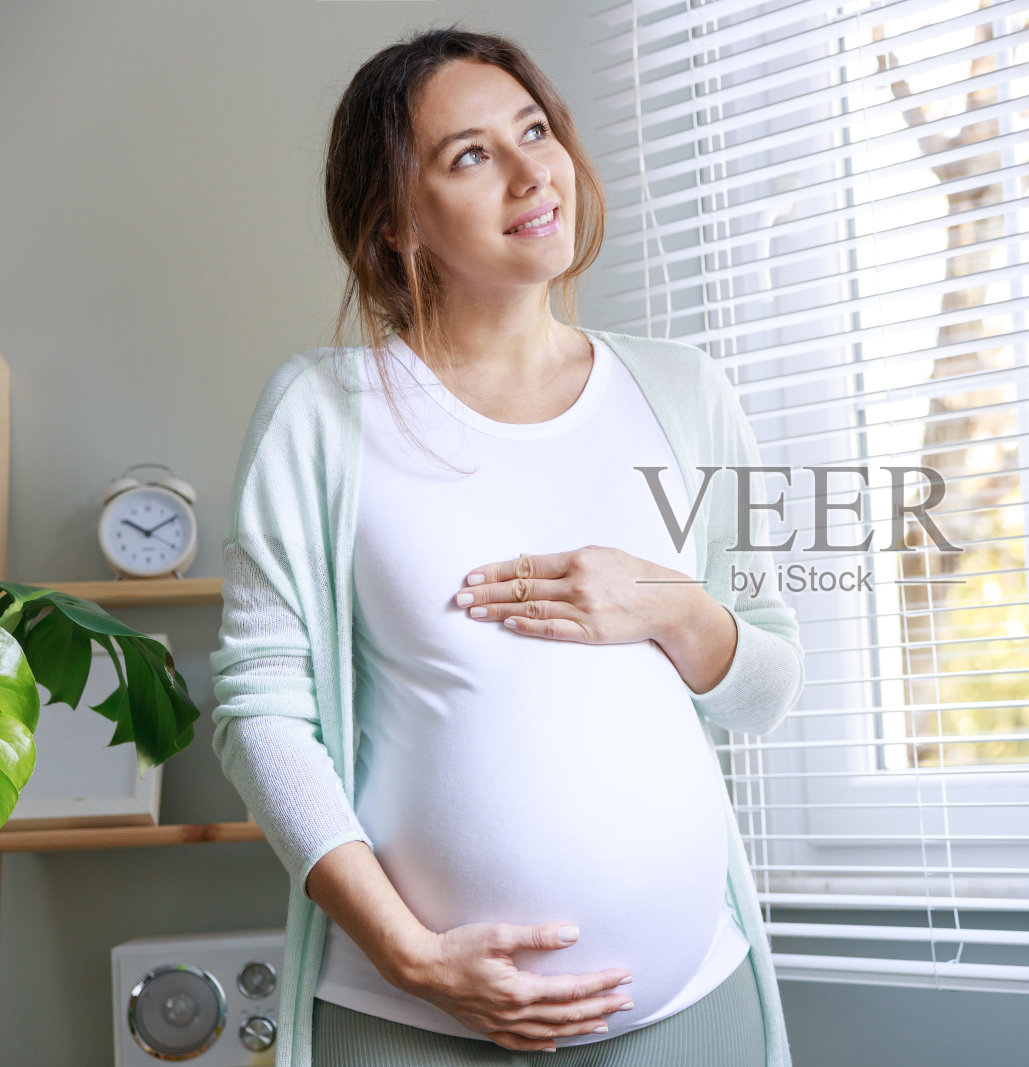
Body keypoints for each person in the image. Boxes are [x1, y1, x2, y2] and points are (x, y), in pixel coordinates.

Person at [209, 24, 804, 1067]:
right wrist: (408, 954)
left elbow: (764, 687)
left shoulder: (685, 391)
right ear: (396, 220)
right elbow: (262, 708)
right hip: (413, 1018)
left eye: (536, 130)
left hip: (696, 1009)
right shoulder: (324, 413)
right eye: (471, 154)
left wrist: (670, 603)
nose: (535, 172)